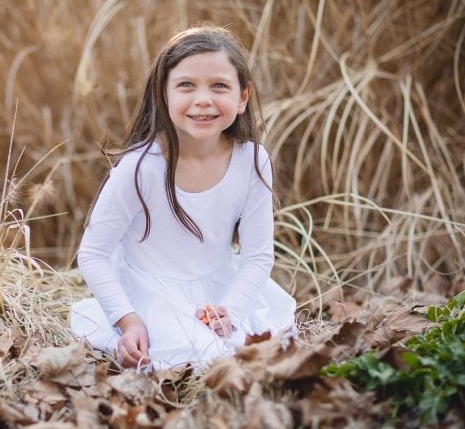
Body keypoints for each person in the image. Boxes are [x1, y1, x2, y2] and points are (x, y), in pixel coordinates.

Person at [69, 26, 297, 371]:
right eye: (186, 85)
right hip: (150, 295)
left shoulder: (252, 160)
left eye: (219, 85)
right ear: (164, 95)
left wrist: (230, 310)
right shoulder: (140, 168)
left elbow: (258, 257)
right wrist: (128, 321)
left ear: (242, 97)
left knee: (251, 352)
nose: (203, 99)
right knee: (201, 357)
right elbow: (93, 253)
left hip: (221, 289)